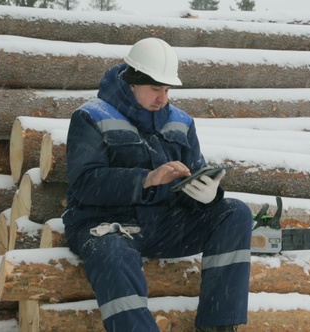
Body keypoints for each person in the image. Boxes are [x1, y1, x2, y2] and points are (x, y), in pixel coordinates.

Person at [62, 37, 253, 332]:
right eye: (155, 89)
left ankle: (219, 326)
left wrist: (207, 196)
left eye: (166, 89)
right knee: (114, 253)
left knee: (235, 212)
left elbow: (195, 171)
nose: (163, 98)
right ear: (132, 82)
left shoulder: (181, 122)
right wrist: (146, 179)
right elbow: (85, 184)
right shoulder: (91, 116)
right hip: (105, 225)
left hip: (163, 224)